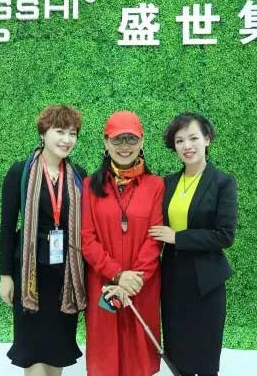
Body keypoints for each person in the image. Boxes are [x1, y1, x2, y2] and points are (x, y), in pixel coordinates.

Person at [0, 105, 87, 376]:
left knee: (57, 349)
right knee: (33, 352)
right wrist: (5, 275)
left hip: (65, 277)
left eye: (72, 133)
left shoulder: (79, 176)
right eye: (59, 131)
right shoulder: (20, 173)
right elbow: (7, 227)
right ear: (43, 133)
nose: (66, 139)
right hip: (30, 275)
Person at [148, 113, 238, 376]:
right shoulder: (167, 183)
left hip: (206, 282)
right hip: (173, 280)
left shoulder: (222, 182)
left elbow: (225, 235)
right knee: (178, 354)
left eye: (193, 138)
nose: (187, 146)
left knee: (205, 356)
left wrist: (178, 237)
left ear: (207, 139)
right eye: (179, 141)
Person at [81, 111, 164, 376]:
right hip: (103, 284)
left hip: (142, 285)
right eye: (117, 139)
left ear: (142, 142)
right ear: (106, 143)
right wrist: (117, 275)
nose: (124, 146)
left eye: (131, 139)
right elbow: (87, 238)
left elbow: (155, 238)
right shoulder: (89, 186)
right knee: (105, 356)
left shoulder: (156, 185)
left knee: (139, 355)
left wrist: (133, 280)